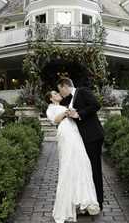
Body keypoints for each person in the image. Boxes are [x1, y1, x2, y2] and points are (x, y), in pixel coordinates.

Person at [46, 90, 100, 223]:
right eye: (54, 93)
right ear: (51, 99)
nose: (58, 94)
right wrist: (66, 113)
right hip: (65, 133)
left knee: (82, 163)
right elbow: (55, 120)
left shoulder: (65, 104)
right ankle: (67, 204)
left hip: (75, 133)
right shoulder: (51, 108)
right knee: (69, 164)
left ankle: (81, 199)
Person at [57, 77, 104, 211]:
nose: (61, 94)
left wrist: (79, 114)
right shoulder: (70, 99)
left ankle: (98, 202)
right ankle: (90, 200)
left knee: (95, 169)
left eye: (61, 91)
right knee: (88, 170)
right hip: (84, 138)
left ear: (65, 86)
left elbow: (96, 105)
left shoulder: (82, 91)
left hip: (93, 137)